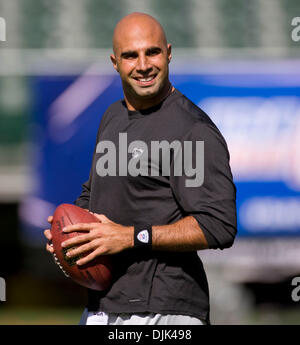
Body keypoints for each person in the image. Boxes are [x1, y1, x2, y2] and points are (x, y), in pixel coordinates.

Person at [44, 12, 237, 325]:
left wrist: (131, 237)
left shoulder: (193, 129)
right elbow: (93, 192)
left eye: (153, 52)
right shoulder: (112, 117)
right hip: (103, 305)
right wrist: (68, 233)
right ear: (115, 62)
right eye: (130, 55)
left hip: (165, 309)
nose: (144, 65)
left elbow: (219, 225)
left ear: (169, 53)